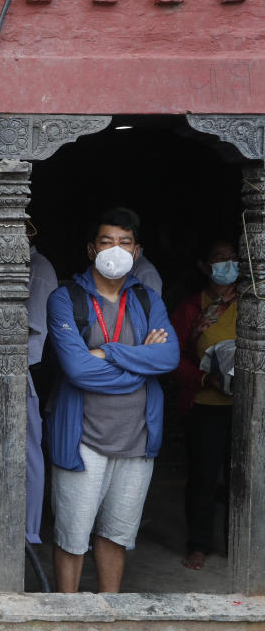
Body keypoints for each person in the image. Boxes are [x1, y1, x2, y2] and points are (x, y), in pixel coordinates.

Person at [45, 207, 179, 592]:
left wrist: (109, 352)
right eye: (107, 242)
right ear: (91, 249)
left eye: (125, 243)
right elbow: (78, 370)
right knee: (72, 536)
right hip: (83, 439)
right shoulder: (64, 298)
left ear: (137, 252)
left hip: (137, 439)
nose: (115, 251)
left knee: (116, 534)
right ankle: (67, 614)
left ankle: (109, 610)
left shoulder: (148, 299)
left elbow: (168, 358)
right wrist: (141, 362)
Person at [170, 239, 239, 571]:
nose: (227, 264)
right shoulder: (190, 308)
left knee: (244, 475)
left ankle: (239, 542)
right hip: (206, 404)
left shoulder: (251, 303)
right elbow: (172, 359)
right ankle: (199, 544)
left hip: (246, 406)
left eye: (232, 259)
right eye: (219, 259)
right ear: (204, 266)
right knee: (204, 476)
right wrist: (204, 379)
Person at [26, 244, 58, 545]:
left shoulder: (39, 269)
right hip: (26, 364)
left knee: (30, 451)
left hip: (31, 366)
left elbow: (28, 326)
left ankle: (29, 530)